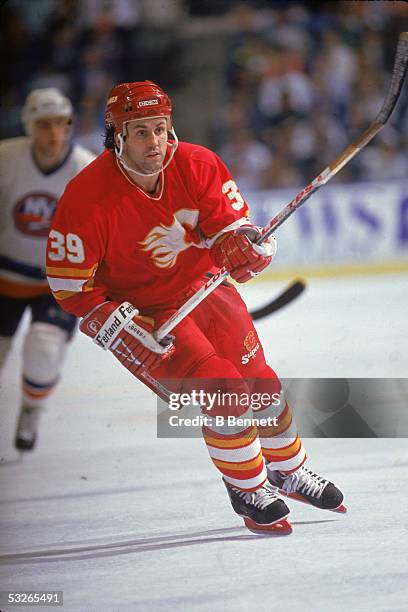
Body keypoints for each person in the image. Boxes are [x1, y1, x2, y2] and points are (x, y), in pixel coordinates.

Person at [45, 81, 345, 534]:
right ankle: (247, 486)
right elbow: (70, 287)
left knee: (261, 382)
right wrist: (116, 325)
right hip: (147, 315)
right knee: (223, 390)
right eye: (141, 131)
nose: (155, 142)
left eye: (161, 129)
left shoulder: (198, 162)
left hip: (206, 289)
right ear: (117, 136)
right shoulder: (85, 199)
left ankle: (289, 470)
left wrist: (244, 249)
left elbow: (230, 229)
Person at [0, 88, 95, 451]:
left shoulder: (85, 167)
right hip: (4, 279)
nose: (54, 134)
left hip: (57, 282)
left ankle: (31, 410)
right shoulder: (6, 159)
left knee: (44, 347)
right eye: (44, 125)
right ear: (28, 126)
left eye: (61, 124)